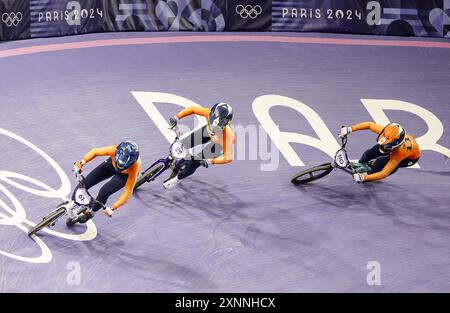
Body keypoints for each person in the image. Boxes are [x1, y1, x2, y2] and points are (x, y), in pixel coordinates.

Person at [163, 102, 235, 189]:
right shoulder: (209, 113)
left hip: (218, 145)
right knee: (184, 143)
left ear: (225, 125)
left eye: (217, 127)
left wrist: (210, 161)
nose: (214, 128)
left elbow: (229, 157)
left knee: (195, 161)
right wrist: (177, 117)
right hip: (207, 132)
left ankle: (178, 179)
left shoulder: (228, 136)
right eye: (211, 124)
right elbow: (193, 109)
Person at [73, 140, 141, 221]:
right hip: (110, 165)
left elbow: (128, 192)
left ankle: (92, 212)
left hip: (124, 175)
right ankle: (73, 202)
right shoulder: (114, 149)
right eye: (118, 164)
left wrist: (113, 208)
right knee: (86, 182)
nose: (119, 167)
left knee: (104, 191)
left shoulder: (134, 168)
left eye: (122, 166)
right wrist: (82, 162)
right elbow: (95, 152)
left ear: (131, 163)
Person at [340, 122, 420, 183]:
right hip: (394, 146)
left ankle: (370, 173)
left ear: (395, 146)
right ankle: (361, 163)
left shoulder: (399, 153)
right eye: (383, 145)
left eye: (385, 147)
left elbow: (384, 173)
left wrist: (364, 177)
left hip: (408, 158)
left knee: (380, 162)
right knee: (369, 153)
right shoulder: (388, 133)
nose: (382, 149)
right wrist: (350, 129)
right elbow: (369, 125)